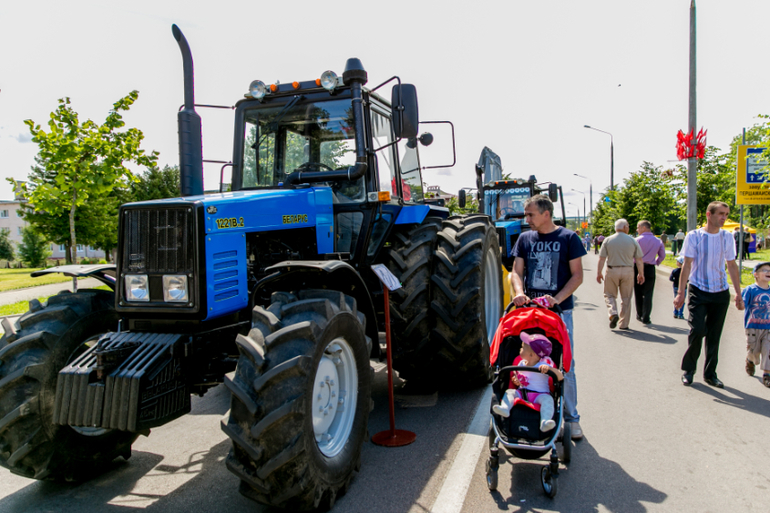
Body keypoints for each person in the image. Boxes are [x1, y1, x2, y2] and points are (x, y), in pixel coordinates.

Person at [510, 194, 586, 439]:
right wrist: (519, 293)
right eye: (526, 214)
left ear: (546, 214)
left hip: (559, 313)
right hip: (530, 313)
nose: (527, 219)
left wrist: (557, 299)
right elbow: (516, 272)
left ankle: (572, 418)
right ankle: (527, 406)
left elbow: (577, 276)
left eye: (531, 214)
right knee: (527, 359)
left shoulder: (568, 238)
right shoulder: (524, 238)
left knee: (565, 364)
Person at [676, 201, 744, 388]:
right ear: (709, 214)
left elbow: (731, 265)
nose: (724, 217)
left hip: (720, 291)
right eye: (721, 213)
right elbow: (687, 264)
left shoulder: (727, 237)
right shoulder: (694, 236)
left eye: (726, 214)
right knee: (697, 330)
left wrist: (737, 293)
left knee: (715, 334)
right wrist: (681, 293)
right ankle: (689, 370)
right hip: (698, 289)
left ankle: (710, 374)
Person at [492, 331, 564, 432]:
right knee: (510, 392)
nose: (520, 349)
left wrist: (549, 369)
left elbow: (560, 377)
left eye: (522, 347)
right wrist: (517, 381)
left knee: (548, 400)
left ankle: (545, 421)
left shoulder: (544, 363)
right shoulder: (521, 364)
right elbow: (523, 380)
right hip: (523, 393)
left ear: (532, 354)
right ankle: (505, 408)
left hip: (539, 395)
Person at [596, 219, 645, 330]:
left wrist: (599, 272)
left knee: (609, 295)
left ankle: (613, 312)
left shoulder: (608, 240)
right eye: (627, 226)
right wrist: (641, 273)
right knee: (626, 298)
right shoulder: (632, 240)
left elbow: (602, 258)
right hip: (628, 271)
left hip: (612, 270)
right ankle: (623, 324)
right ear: (624, 227)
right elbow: (639, 259)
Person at [743, 261, 770, 388]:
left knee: (768, 350)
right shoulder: (750, 290)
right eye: (765, 270)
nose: (768, 272)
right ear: (756, 274)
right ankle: (750, 360)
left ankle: (767, 374)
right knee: (754, 350)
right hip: (752, 326)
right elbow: (742, 303)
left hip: (768, 328)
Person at [634, 220, 666, 325]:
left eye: (638, 227)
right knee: (648, 293)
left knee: (638, 292)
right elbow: (662, 255)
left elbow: (632, 255)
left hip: (637, 268)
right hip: (650, 268)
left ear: (644, 228)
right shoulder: (658, 241)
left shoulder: (637, 240)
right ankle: (646, 317)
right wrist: (655, 262)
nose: (637, 229)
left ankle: (639, 314)